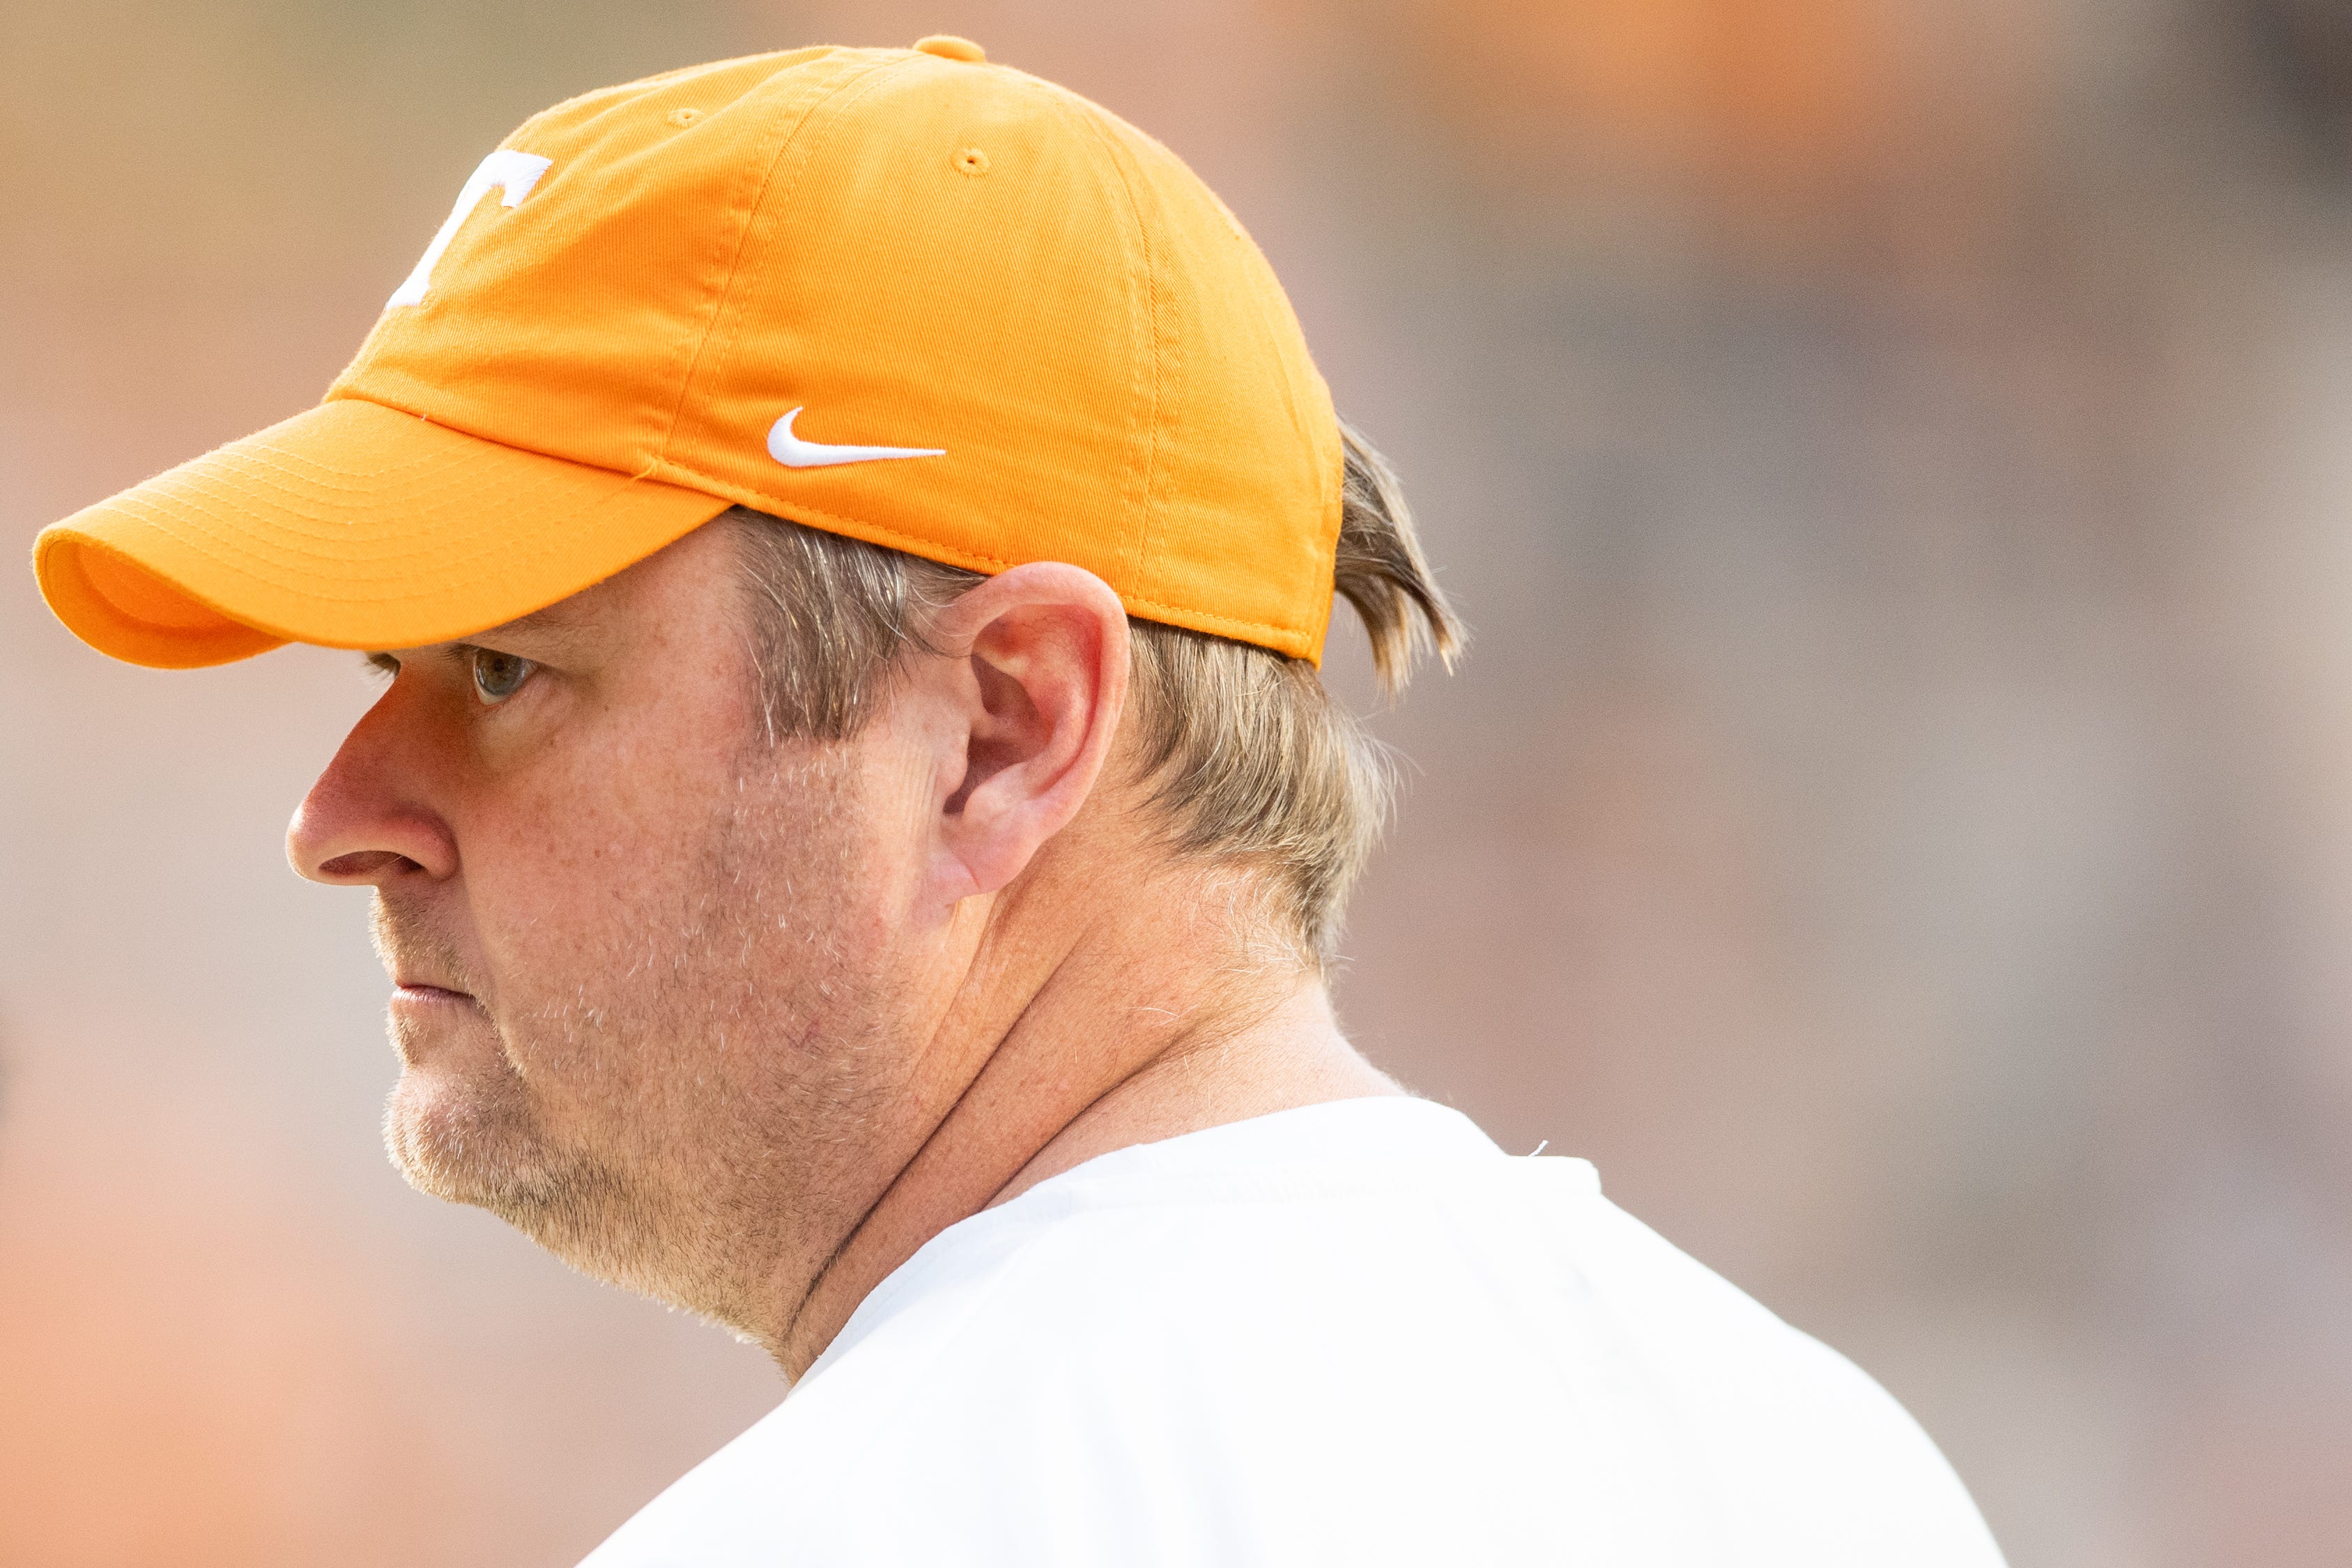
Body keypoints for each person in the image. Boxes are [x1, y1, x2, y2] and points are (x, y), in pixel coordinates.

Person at [31, 37, 2007, 1567]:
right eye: (384, 675)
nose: (337, 814)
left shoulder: (866, 1527)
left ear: (999, 731)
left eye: (502, 667)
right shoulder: (1823, 1461)